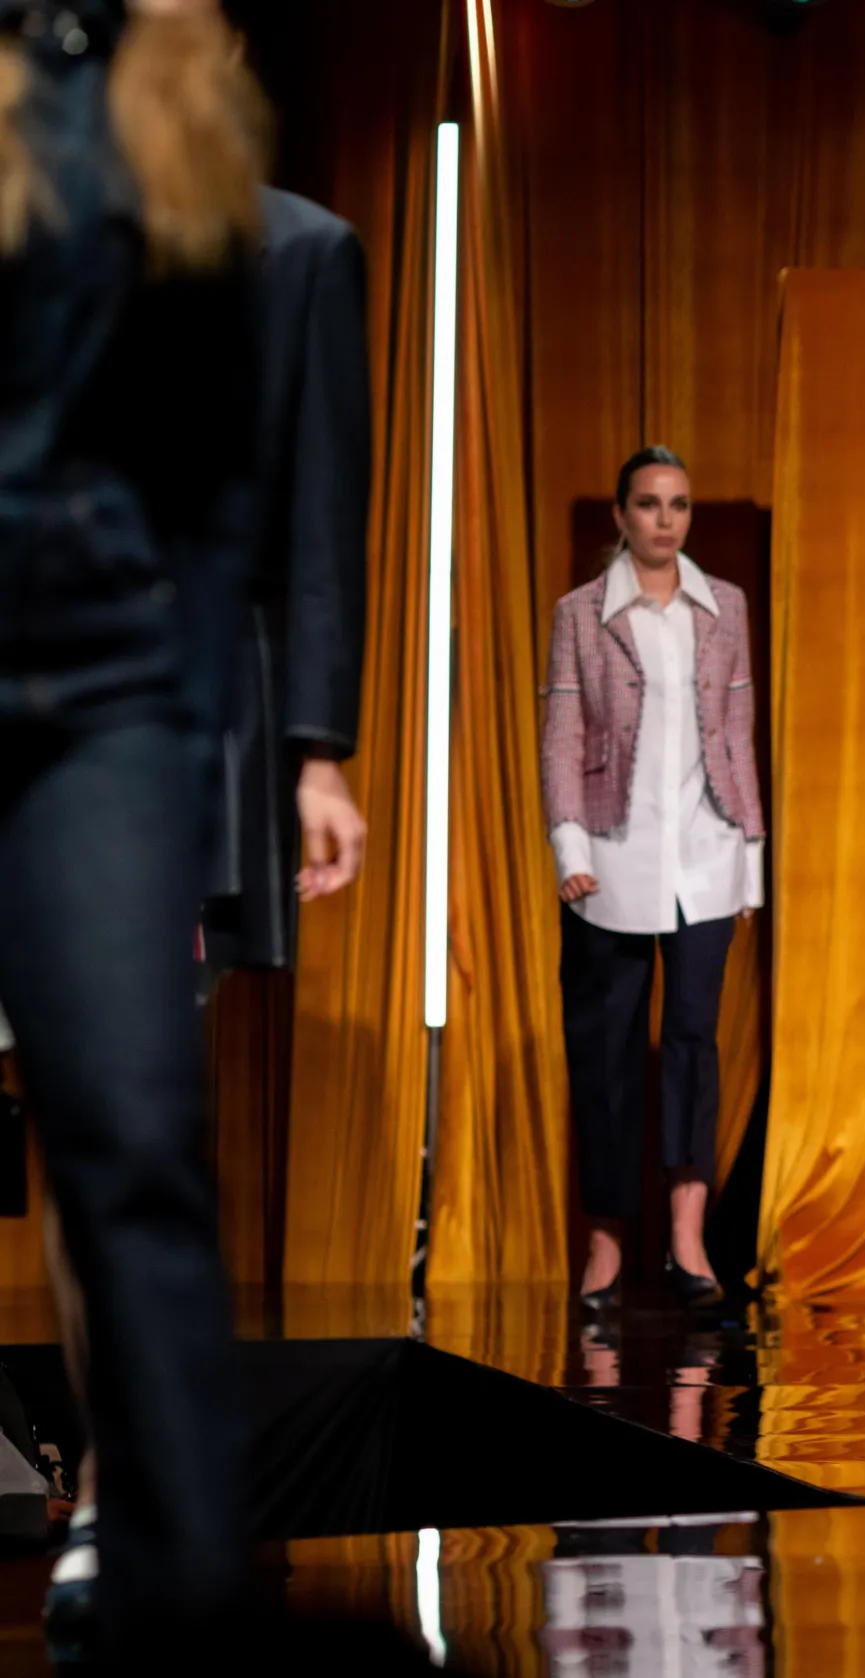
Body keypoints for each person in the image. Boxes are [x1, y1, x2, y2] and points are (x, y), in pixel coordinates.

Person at [0, 0, 270, 1661]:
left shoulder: (171, 104)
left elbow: (221, 474)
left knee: (134, 1136)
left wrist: (176, 719)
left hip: (98, 696)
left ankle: (187, 1593)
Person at [542, 446, 765, 1313]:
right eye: (648, 504)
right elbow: (563, 736)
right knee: (607, 1052)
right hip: (612, 856)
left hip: (707, 856)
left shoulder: (724, 606)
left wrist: (751, 855)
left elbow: (736, 733)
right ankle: (605, 1244)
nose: (665, 520)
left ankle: (686, 1238)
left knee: (693, 1044)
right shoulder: (580, 614)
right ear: (621, 515)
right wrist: (571, 848)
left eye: (678, 504)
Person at [200, 183, 373, 976]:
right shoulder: (41, 220)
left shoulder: (305, 250)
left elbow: (324, 516)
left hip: (204, 687)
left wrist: (320, 752)